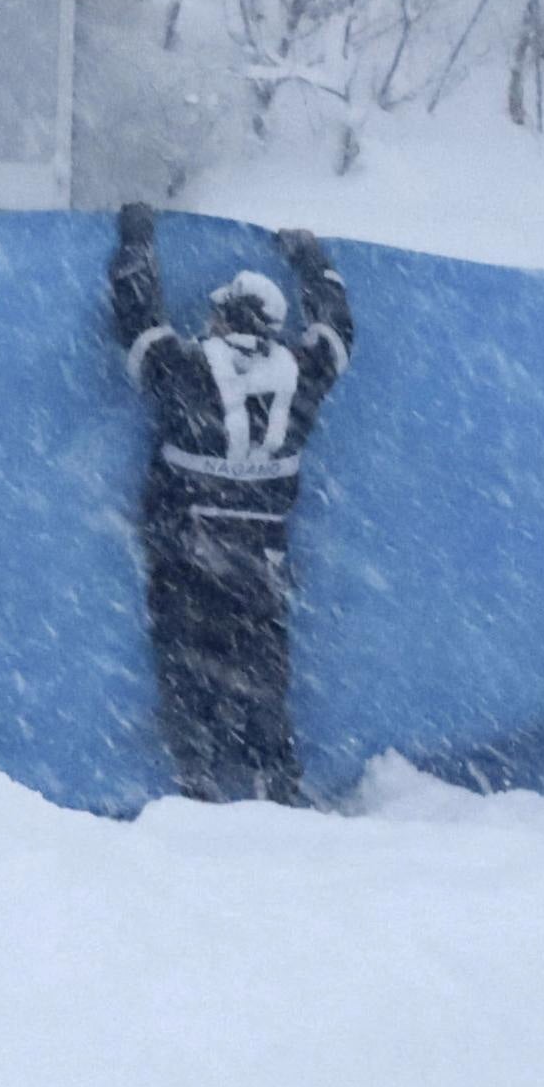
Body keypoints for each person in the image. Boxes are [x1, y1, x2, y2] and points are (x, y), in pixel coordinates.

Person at [109, 203, 353, 806]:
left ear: (222, 318)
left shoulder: (186, 369)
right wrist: (311, 259)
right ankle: (278, 780)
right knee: (264, 675)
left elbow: (137, 315)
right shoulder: (301, 373)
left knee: (187, 669)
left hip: (185, 547)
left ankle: (197, 779)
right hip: (262, 558)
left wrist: (138, 238)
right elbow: (338, 328)